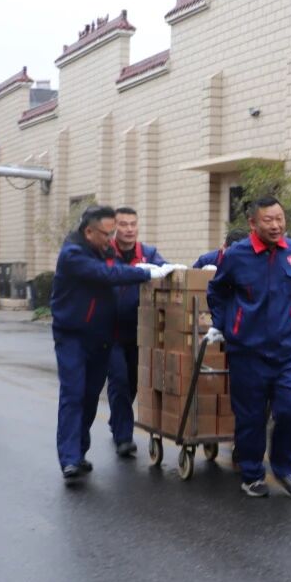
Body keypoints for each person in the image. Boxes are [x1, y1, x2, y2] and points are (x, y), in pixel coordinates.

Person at [51, 205, 169, 482]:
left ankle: (79, 452)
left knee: (90, 395)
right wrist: (145, 273)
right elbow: (107, 274)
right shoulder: (73, 254)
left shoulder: (104, 250)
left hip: (102, 336)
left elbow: (122, 266)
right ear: (88, 232)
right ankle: (69, 458)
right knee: (73, 393)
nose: (111, 238)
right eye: (107, 234)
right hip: (72, 335)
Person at [206, 197, 291, 498]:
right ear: (253, 223)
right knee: (250, 417)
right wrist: (224, 325)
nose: (276, 225)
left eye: (280, 218)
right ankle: (251, 474)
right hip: (247, 352)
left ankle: (284, 467)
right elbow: (217, 290)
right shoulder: (237, 255)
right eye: (268, 220)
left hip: (286, 351)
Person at [107, 206, 169, 458]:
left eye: (133, 224)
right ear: (114, 227)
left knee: (133, 381)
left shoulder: (148, 253)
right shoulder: (105, 253)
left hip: (139, 331)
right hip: (109, 332)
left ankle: (117, 419)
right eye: (123, 224)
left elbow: (166, 271)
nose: (129, 229)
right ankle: (123, 437)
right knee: (119, 380)